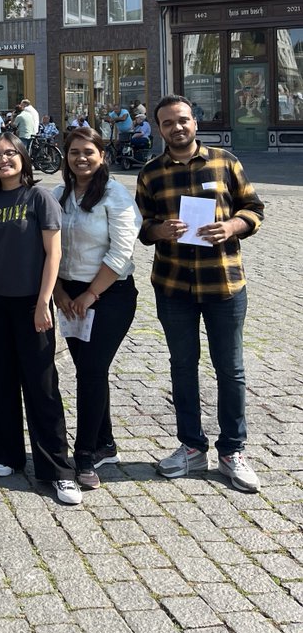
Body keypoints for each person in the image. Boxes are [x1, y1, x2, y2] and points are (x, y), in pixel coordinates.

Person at [135, 95, 264, 492]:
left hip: (223, 282)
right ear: (159, 129)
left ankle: (232, 450)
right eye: (168, 123)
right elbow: (142, 227)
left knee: (231, 369)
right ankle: (191, 446)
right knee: (182, 366)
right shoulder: (151, 173)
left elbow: (255, 207)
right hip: (174, 285)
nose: (177, 127)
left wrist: (232, 227)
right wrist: (159, 231)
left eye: (183, 120)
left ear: (195, 122)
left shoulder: (225, 161)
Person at [0, 131, 80, 505]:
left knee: (41, 387)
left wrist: (43, 302)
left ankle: (57, 470)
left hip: (32, 304)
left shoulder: (40, 198)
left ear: (23, 158)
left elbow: (54, 255)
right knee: (1, 383)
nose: (4, 160)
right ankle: (8, 455)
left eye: (10, 153)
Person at [52, 129, 142, 489]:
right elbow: (47, 248)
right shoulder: (58, 195)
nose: (81, 158)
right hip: (68, 294)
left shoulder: (115, 195)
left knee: (90, 371)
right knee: (91, 369)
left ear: (102, 155)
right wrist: (58, 292)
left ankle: (85, 454)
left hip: (109, 294)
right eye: (74, 152)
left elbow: (121, 254)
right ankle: (106, 442)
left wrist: (89, 296)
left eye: (88, 152)